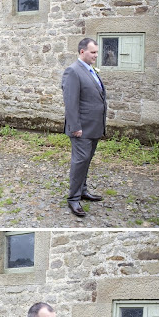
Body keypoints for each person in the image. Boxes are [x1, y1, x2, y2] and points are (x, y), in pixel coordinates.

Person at [61, 38, 107, 217]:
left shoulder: (90, 70)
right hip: (81, 128)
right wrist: (75, 127)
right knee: (79, 162)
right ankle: (73, 198)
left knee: (86, 160)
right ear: (82, 52)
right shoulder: (73, 71)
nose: (96, 55)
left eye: (96, 52)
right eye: (93, 52)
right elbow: (70, 102)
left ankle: (83, 190)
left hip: (94, 126)